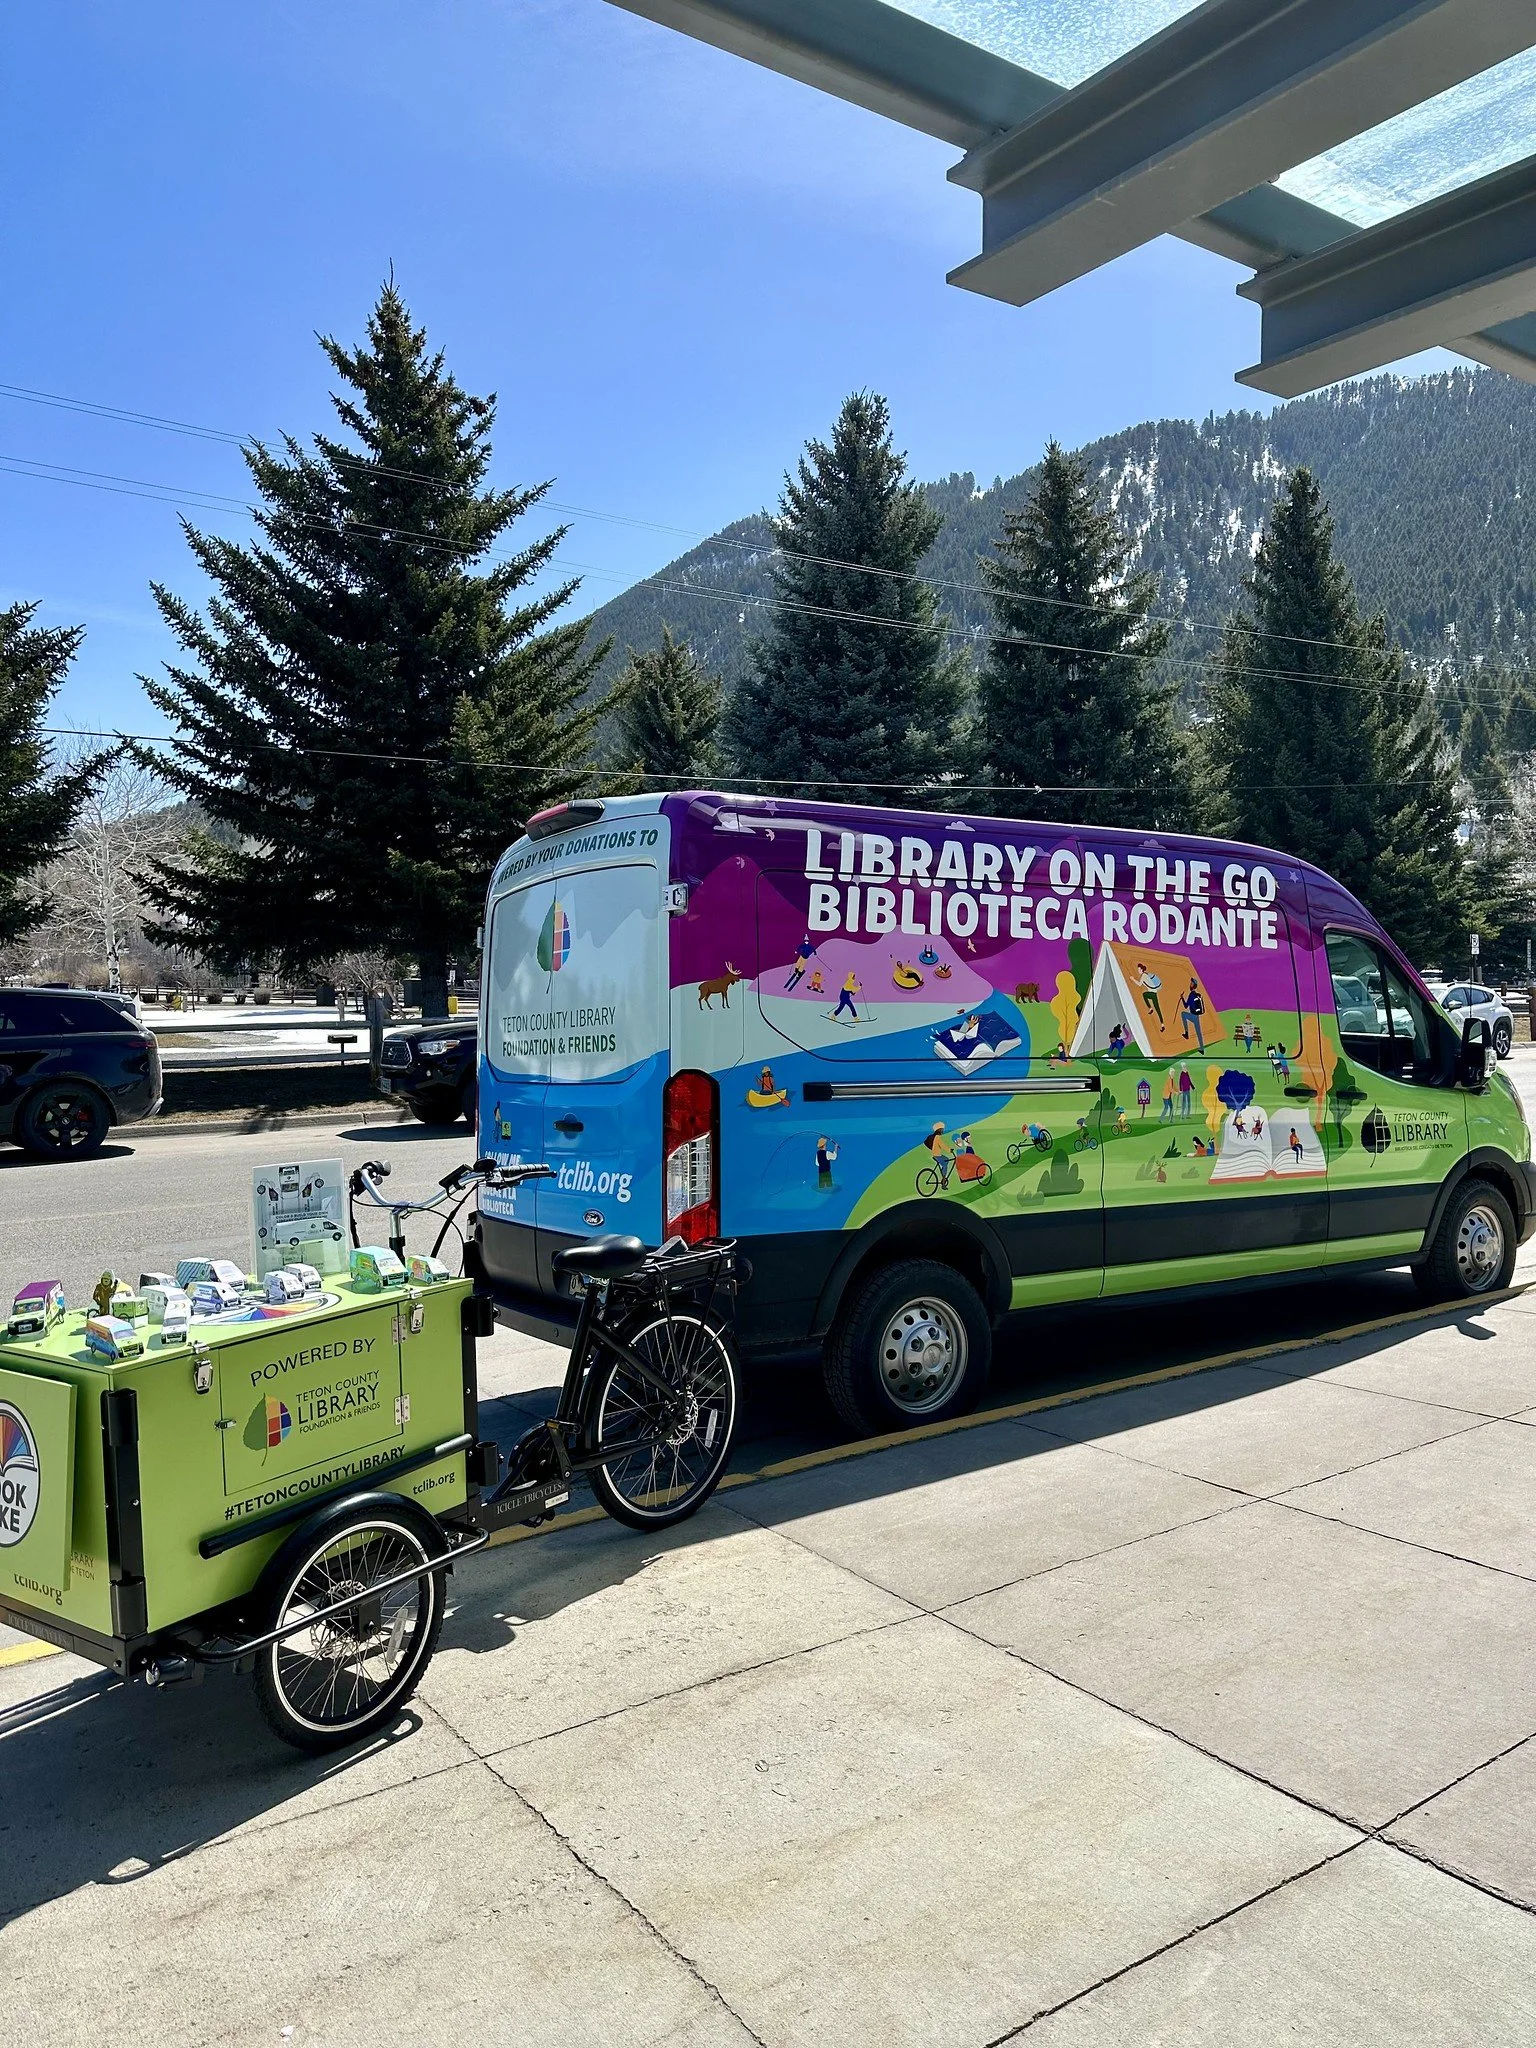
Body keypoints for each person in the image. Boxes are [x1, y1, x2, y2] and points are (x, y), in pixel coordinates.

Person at [1179, 977, 1206, 1051]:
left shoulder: (1191, 995)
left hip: (1192, 1015)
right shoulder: (1197, 995)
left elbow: (1185, 1006)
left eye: (1191, 983)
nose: (1190, 984)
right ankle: (1202, 1048)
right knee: (1199, 1032)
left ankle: (1187, 1033)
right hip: (1196, 1016)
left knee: (1183, 1014)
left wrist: (1182, 998)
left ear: (1193, 985)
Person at [924, 1121, 954, 1188]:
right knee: (945, 1164)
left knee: (946, 1160)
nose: (943, 1130)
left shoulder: (934, 1137)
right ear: (939, 1130)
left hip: (936, 1154)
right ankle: (943, 1181)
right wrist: (949, 1150)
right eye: (942, 1129)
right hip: (937, 1155)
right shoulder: (937, 1137)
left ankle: (943, 1175)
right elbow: (942, 1145)